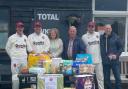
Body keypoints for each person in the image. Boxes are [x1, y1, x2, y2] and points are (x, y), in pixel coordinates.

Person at [5, 21, 33, 89]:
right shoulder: (12, 37)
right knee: (15, 76)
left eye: (21, 27)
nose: (20, 29)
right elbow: (7, 48)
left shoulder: (25, 37)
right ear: (16, 28)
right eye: (19, 27)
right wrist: (12, 57)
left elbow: (29, 49)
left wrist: (37, 54)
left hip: (24, 60)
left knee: (25, 77)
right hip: (15, 60)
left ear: (23, 28)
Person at [82, 21, 104, 89]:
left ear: (95, 27)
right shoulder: (84, 37)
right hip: (89, 61)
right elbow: (82, 49)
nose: (91, 28)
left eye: (92, 26)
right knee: (88, 79)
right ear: (87, 27)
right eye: (89, 26)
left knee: (100, 78)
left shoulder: (99, 34)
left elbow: (106, 31)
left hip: (98, 60)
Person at [100, 24, 123, 89]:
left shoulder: (116, 37)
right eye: (106, 28)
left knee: (118, 78)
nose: (108, 30)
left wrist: (116, 55)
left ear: (111, 29)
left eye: (109, 28)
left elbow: (121, 48)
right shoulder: (101, 38)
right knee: (106, 79)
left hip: (114, 61)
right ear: (104, 29)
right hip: (105, 61)